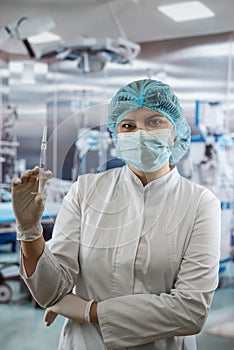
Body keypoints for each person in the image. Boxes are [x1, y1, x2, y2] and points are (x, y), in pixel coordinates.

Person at [12, 79, 221, 350]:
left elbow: (191, 311)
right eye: (128, 126)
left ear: (176, 131)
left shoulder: (200, 204)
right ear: (116, 134)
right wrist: (30, 232)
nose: (141, 132)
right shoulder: (86, 191)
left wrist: (87, 311)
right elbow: (50, 292)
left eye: (155, 122)